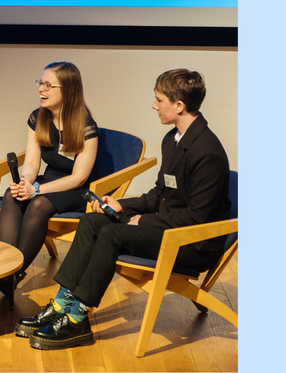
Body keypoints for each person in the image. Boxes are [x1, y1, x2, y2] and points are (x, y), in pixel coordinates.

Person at [17, 69, 231, 351]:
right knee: (94, 221)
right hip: (168, 226)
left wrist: (142, 222)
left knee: (112, 235)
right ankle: (61, 304)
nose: (154, 105)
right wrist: (120, 204)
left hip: (190, 242)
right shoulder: (173, 139)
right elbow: (159, 194)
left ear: (179, 106)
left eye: (159, 100)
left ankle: (78, 320)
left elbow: (196, 218)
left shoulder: (207, 152)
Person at [0, 62, 99, 297]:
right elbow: (31, 163)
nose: (41, 89)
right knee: (12, 194)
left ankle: (13, 272)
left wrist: (37, 190)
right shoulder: (38, 117)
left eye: (49, 85)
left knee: (38, 204)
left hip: (76, 190)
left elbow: (79, 177)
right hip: (47, 182)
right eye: (41, 83)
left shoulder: (86, 126)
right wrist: (26, 183)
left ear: (68, 90)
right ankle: (6, 271)